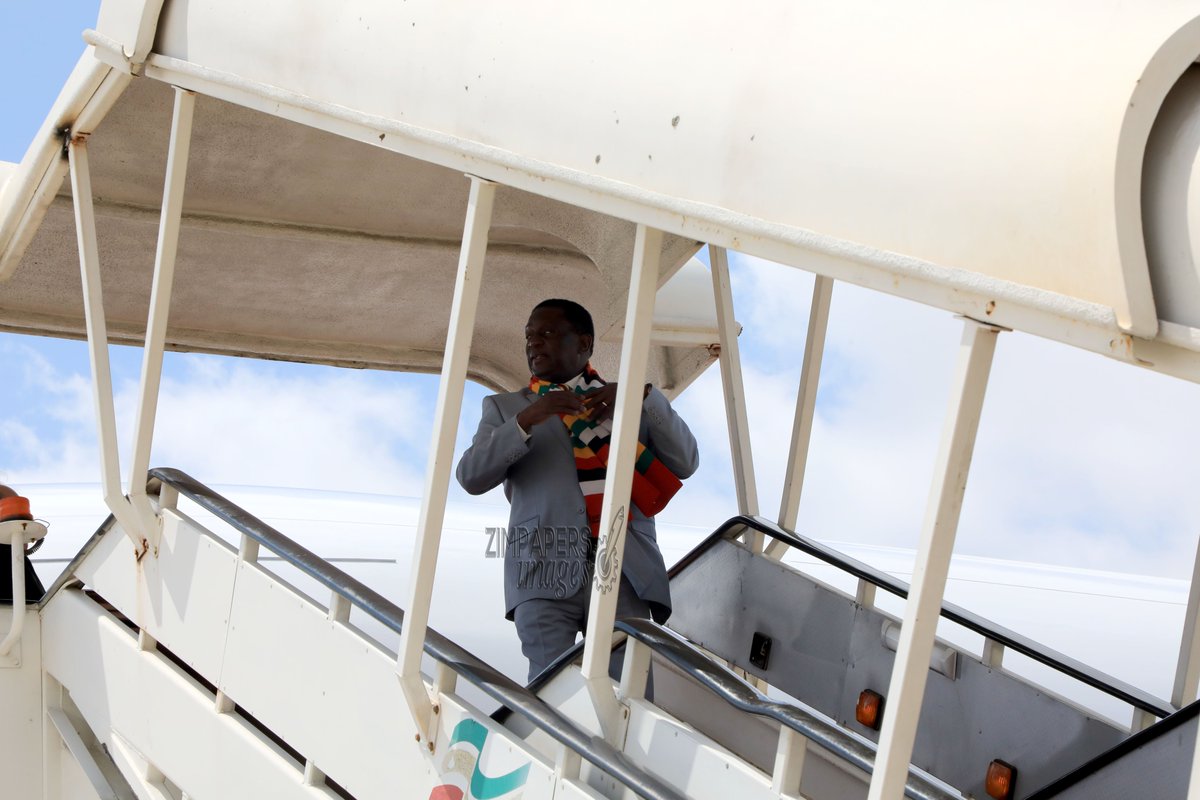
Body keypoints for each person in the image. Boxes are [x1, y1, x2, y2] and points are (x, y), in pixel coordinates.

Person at [456, 299, 699, 681]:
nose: (534, 343)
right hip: (542, 568)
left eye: (547, 333)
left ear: (584, 343)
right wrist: (525, 421)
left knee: (626, 696)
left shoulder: (626, 400)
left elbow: (686, 461)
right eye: (529, 336)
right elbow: (470, 476)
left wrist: (644, 396)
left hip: (624, 569)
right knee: (549, 692)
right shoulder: (506, 409)